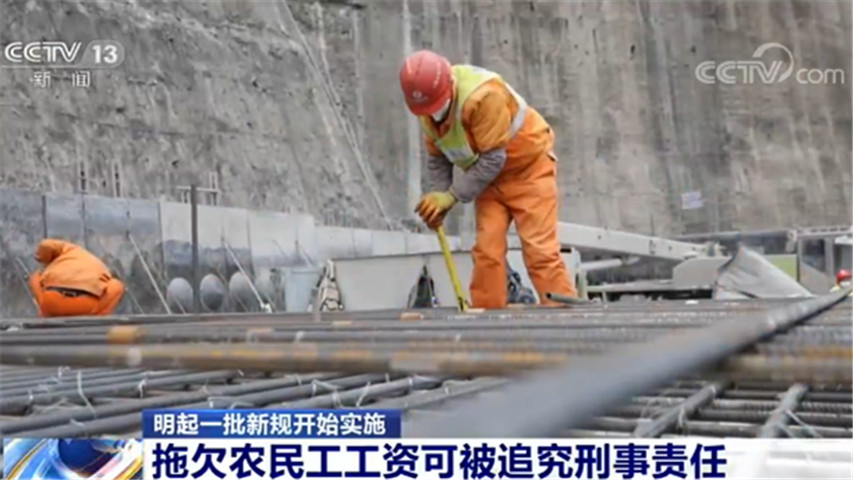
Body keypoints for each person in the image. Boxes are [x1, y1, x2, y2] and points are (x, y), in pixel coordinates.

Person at [399, 50, 576, 309]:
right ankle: (487, 316)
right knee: (487, 253)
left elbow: (494, 159)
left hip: (528, 172)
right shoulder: (426, 109)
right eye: (428, 109)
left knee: (540, 252)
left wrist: (451, 196)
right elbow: (438, 156)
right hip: (488, 181)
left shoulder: (483, 96)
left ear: (450, 85)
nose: (434, 113)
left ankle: (563, 315)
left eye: (437, 105)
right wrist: (439, 198)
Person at [28, 239, 125, 317]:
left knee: (35, 277)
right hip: (85, 306)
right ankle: (99, 316)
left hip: (52, 302)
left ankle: (45, 312)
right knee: (116, 285)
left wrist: (43, 259)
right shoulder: (96, 263)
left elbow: (45, 244)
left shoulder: (67, 248)